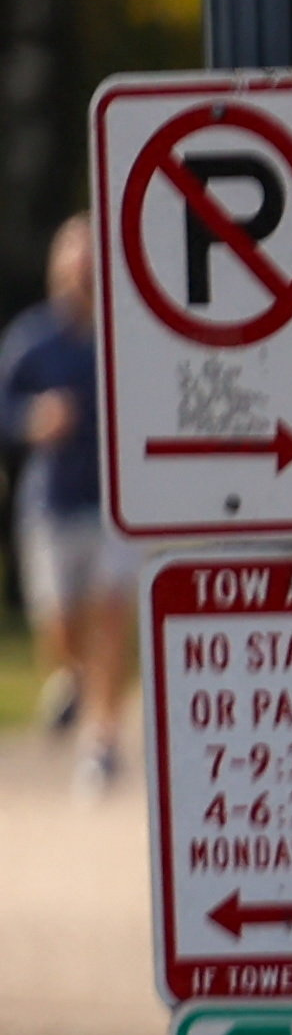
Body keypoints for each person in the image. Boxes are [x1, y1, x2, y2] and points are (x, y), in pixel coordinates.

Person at [6, 215, 136, 798]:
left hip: (114, 504)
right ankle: (71, 678)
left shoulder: (125, 337)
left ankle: (101, 741)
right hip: (51, 505)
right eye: (73, 259)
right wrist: (34, 419)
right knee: (60, 624)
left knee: (110, 612)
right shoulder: (31, 339)